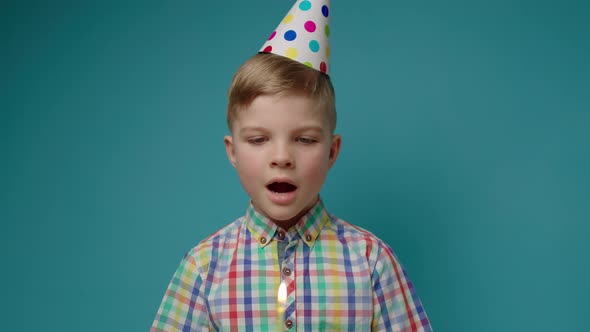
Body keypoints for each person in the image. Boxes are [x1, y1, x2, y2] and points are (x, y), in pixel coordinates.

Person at [152, 1, 431, 330]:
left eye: (305, 140)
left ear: (332, 151)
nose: (282, 157)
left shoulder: (371, 261)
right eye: (258, 140)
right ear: (233, 151)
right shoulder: (204, 267)